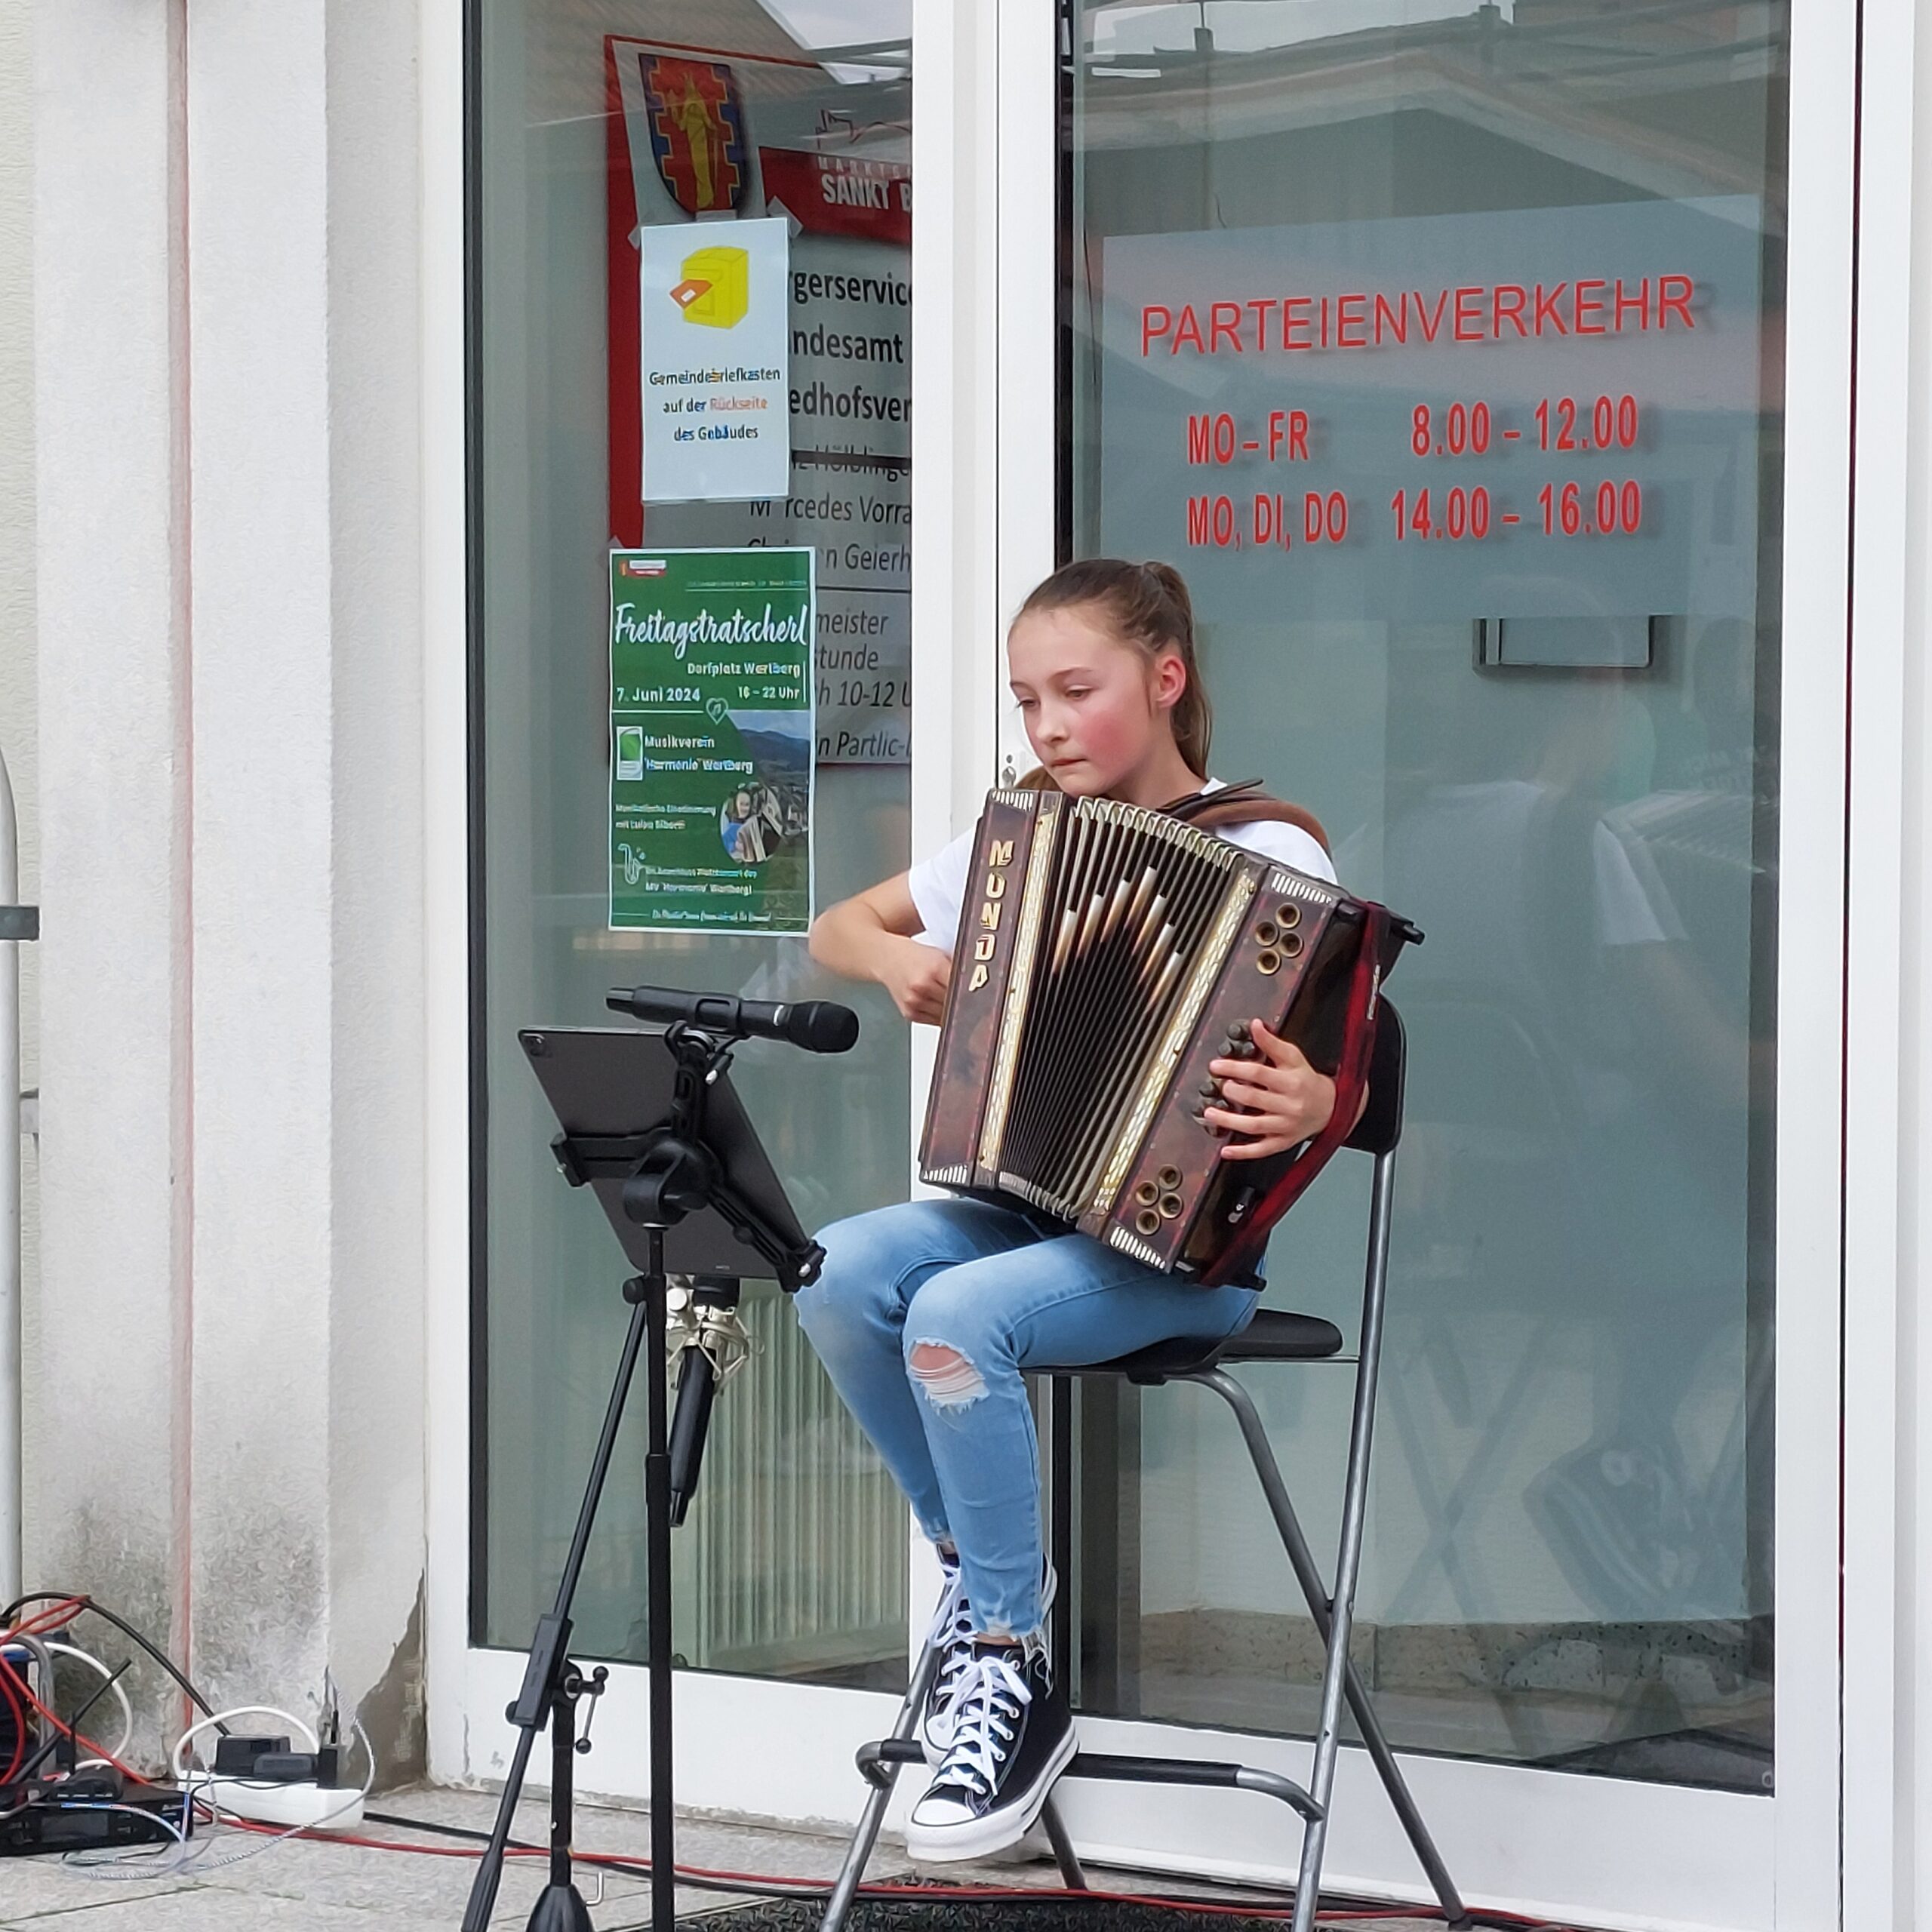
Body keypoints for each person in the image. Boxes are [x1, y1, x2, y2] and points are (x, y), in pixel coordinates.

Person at [799, 558, 1343, 1862]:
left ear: (1166, 680)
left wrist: (1317, 1099)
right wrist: (895, 958)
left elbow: (1347, 1058)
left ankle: (1007, 1662)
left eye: (1075, 693)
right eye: (1025, 698)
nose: (1044, 727)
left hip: (1181, 1248)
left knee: (951, 1315)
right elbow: (835, 925)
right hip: (1036, 1210)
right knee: (829, 1266)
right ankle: (987, 1587)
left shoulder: (1269, 847)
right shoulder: (1024, 826)